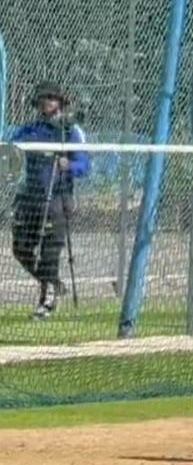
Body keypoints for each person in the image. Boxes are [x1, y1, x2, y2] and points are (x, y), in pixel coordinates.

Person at [7, 82, 90, 319]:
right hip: (30, 199)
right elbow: (11, 149)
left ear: (60, 102)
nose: (47, 102)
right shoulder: (30, 130)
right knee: (21, 247)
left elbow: (85, 165)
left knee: (49, 253)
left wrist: (69, 165)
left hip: (57, 200)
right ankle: (53, 282)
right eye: (43, 98)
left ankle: (47, 302)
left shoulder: (70, 131)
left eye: (52, 98)